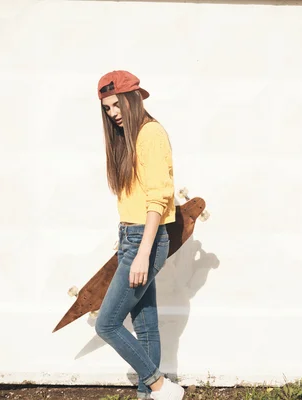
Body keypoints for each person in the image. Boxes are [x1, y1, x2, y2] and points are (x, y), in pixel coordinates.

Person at [93, 70, 185, 400]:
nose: (112, 113)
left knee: (107, 324)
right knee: (145, 326)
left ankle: (161, 387)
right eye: (106, 108)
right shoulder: (131, 138)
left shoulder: (151, 135)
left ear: (133, 98)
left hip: (144, 241)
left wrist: (142, 252)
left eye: (116, 105)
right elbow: (136, 200)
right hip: (132, 238)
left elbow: (158, 198)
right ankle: (150, 396)